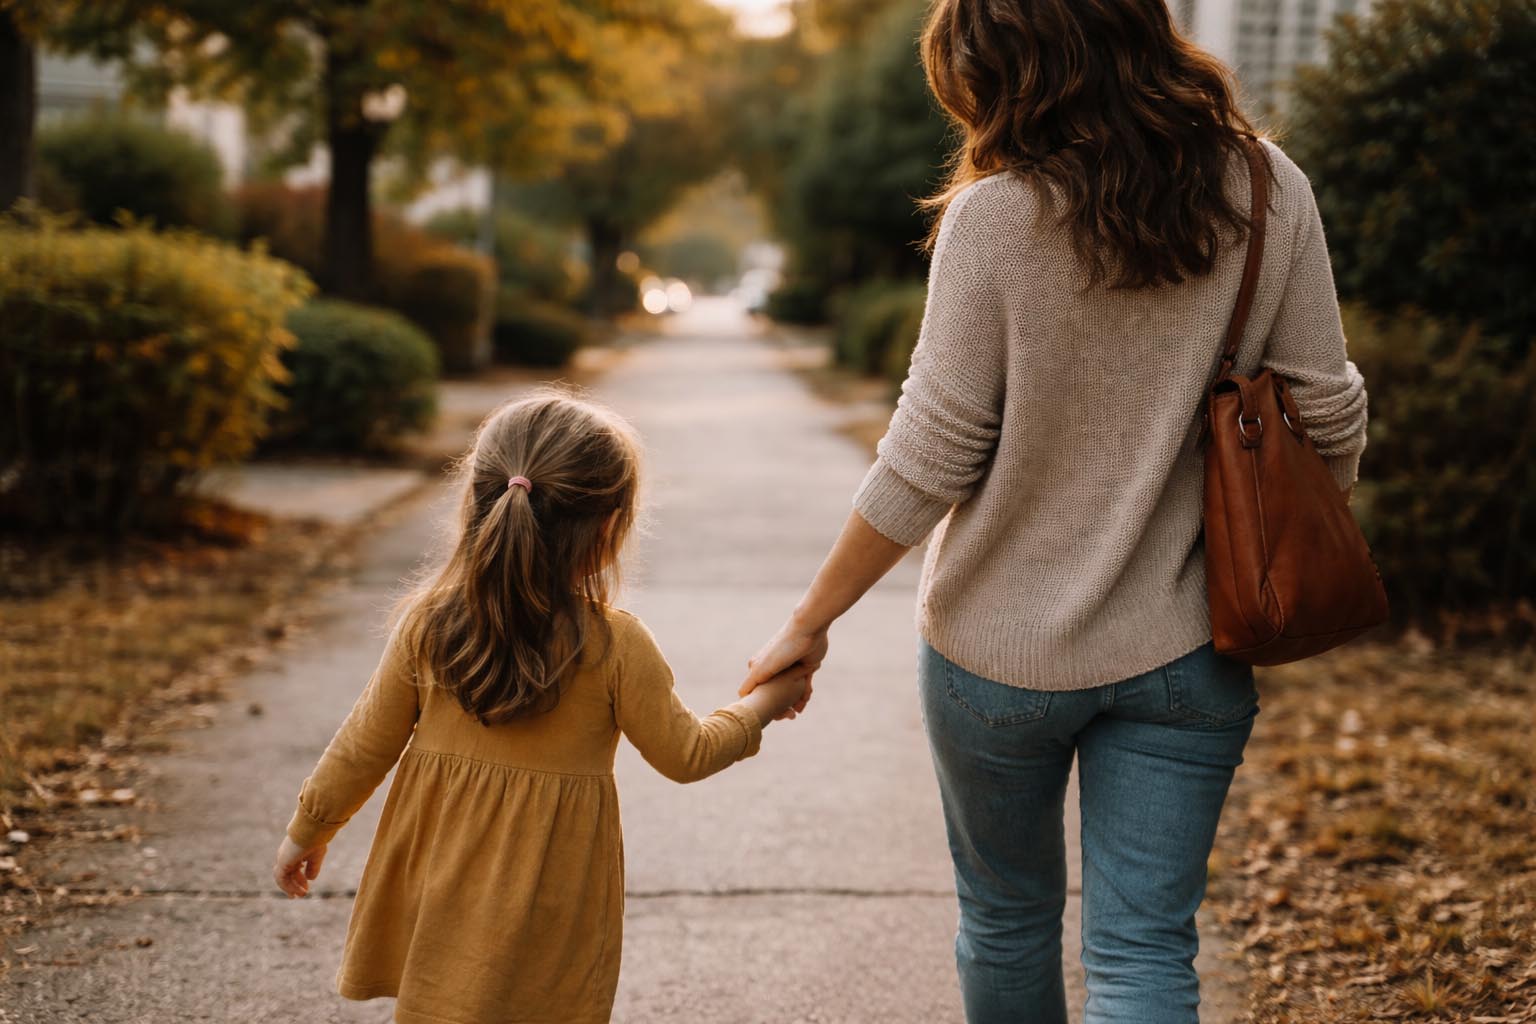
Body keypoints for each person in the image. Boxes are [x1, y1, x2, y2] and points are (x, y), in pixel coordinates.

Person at [739, 1, 1369, 1022]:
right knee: (1143, 952)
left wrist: (811, 620)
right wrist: (1268, 542)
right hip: (1190, 650)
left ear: (1009, 66)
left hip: (995, 656)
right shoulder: (1268, 187)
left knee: (1004, 920)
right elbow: (1328, 418)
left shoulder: (994, 220)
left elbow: (928, 455)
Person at [271, 392, 809, 1024]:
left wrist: (307, 830)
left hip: (437, 879)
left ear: (478, 502)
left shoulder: (430, 624)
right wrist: (767, 703)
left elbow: (365, 744)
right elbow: (685, 755)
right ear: (608, 527)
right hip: (546, 898)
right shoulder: (614, 644)